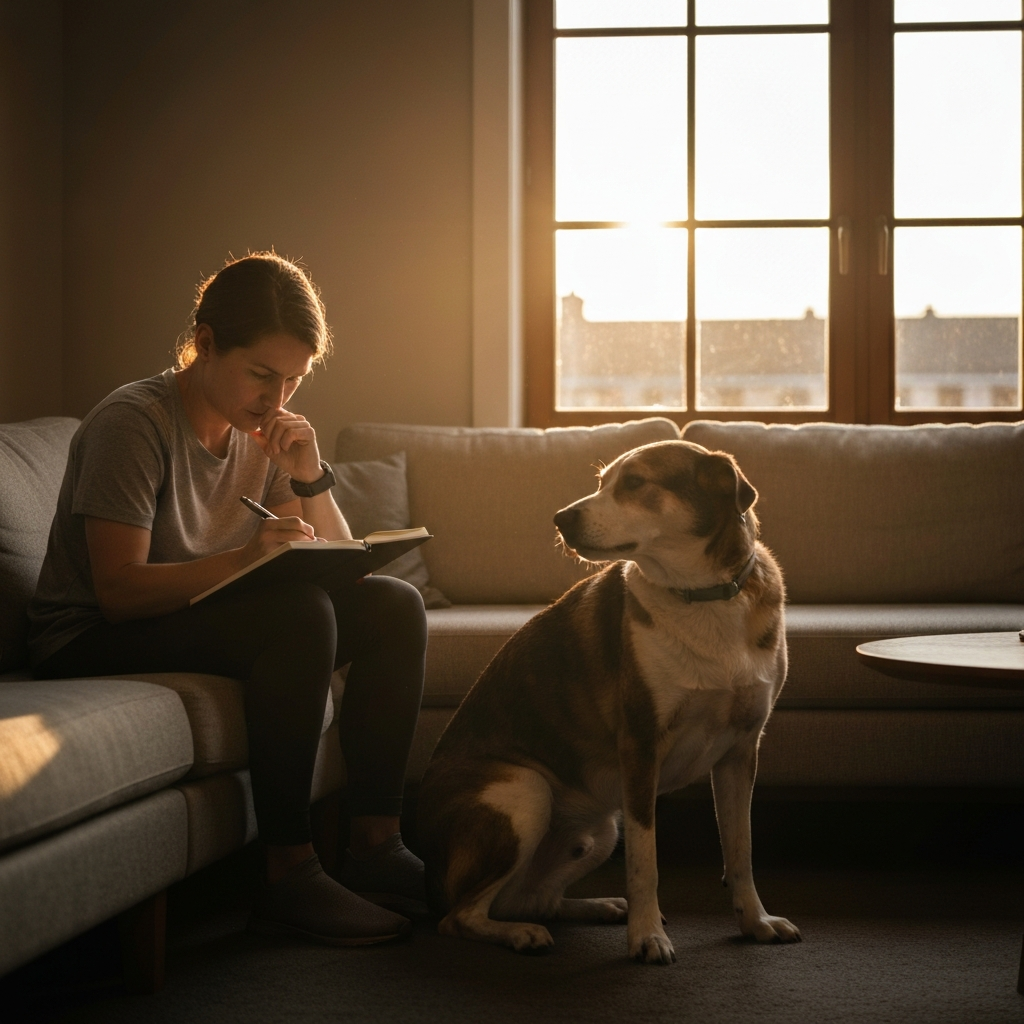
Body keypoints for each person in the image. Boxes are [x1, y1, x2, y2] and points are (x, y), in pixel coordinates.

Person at [29, 253, 427, 946]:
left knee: (392, 606)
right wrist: (247, 559)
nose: (277, 398)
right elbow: (117, 590)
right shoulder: (134, 422)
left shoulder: (259, 434)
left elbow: (342, 569)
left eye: (294, 380)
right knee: (299, 615)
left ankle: (374, 846)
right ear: (206, 344)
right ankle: (287, 874)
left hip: (192, 614)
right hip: (87, 634)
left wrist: (308, 477)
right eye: (262, 375)